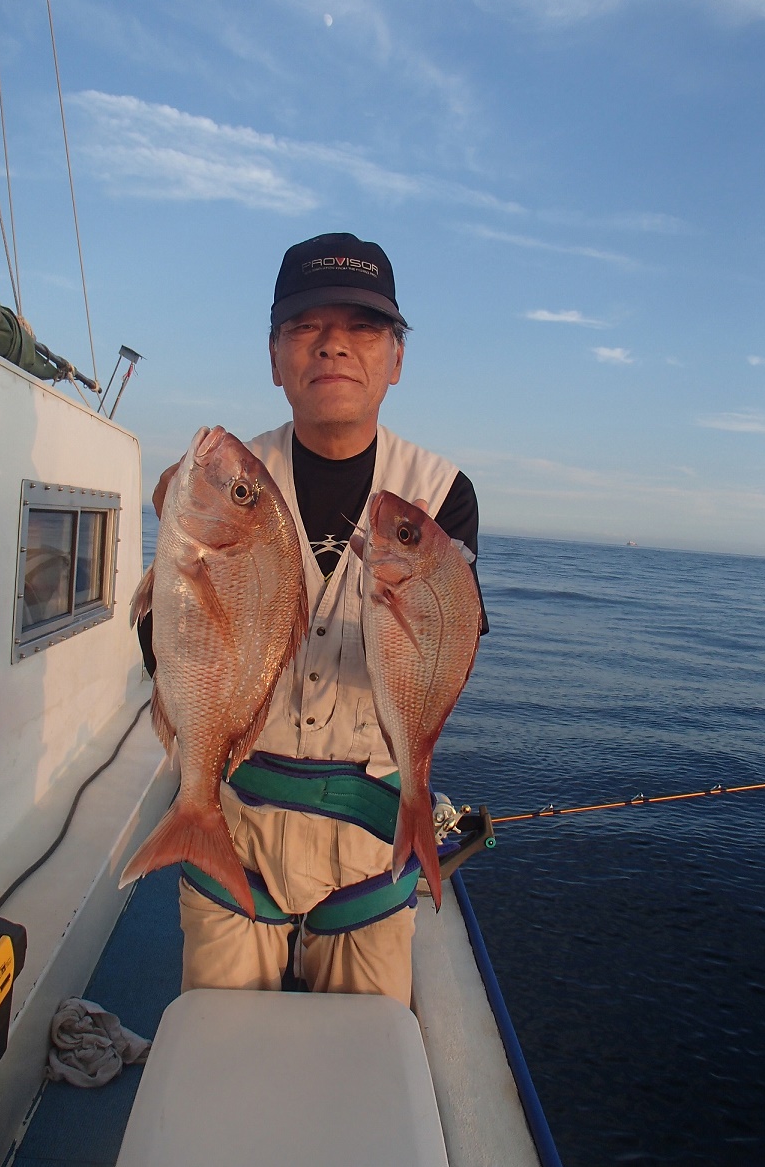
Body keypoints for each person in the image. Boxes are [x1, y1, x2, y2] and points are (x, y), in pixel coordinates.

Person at [141, 233, 488, 1007]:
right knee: (220, 1043)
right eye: (305, 326)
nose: (333, 344)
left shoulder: (441, 493)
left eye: (363, 327)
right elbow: (158, 644)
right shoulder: (229, 477)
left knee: (361, 1058)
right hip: (234, 817)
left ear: (396, 359)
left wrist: (414, 590)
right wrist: (177, 561)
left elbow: (446, 644)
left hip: (370, 842)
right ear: (274, 357)